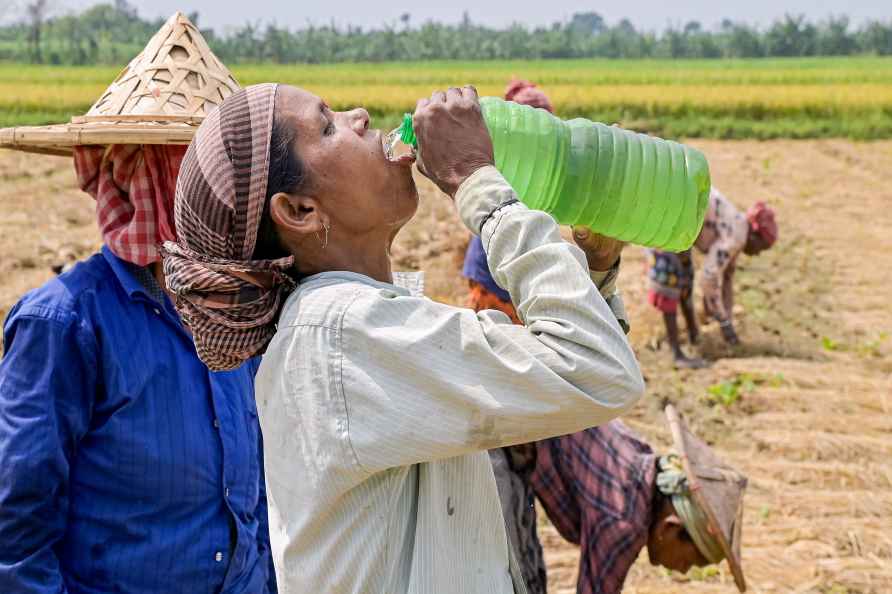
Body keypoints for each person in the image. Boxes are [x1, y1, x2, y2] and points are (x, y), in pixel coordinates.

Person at [161, 82, 645, 594]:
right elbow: (594, 370)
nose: (361, 115)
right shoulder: (338, 333)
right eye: (328, 126)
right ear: (300, 211)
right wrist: (477, 183)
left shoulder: (359, 324)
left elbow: (563, 371)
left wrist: (595, 264)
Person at [0, 14, 276, 593]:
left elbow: (261, 503)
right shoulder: (65, 323)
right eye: (200, 176)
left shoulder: (243, 308)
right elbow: (17, 527)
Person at [463, 78, 629, 594]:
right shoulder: (506, 184)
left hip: (515, 291)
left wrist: (597, 263)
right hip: (502, 296)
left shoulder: (536, 182)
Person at [532, 406, 749, 594]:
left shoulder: (639, 454)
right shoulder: (623, 520)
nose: (683, 570)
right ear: (669, 528)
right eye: (691, 562)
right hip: (505, 440)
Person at [648, 188, 778, 366]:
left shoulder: (737, 226)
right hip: (669, 218)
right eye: (761, 248)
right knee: (670, 282)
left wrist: (726, 319)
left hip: (681, 218)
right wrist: (724, 323)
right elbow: (709, 277)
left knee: (685, 281)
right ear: (755, 236)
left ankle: (695, 338)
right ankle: (676, 354)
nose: (757, 254)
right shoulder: (736, 237)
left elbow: (726, 281)